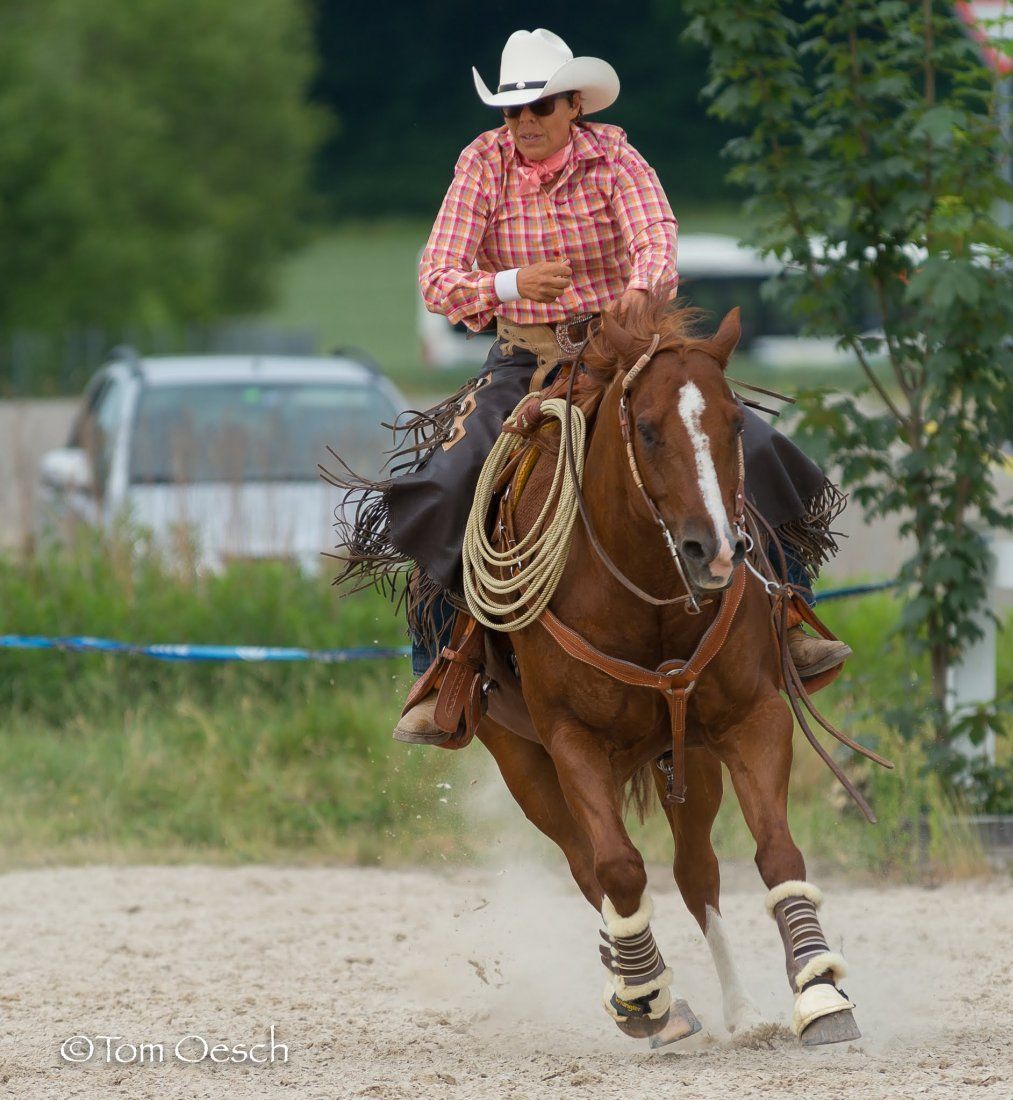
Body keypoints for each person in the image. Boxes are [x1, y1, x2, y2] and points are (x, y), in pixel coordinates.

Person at [332, 29, 851, 745]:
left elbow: (654, 242)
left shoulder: (617, 160)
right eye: (512, 111)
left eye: (540, 107)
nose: (524, 124)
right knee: (449, 483)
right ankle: (443, 667)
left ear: (575, 104)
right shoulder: (482, 163)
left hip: (629, 350)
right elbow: (437, 278)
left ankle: (789, 616)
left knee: (747, 447)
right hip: (526, 359)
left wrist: (638, 301)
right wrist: (511, 283)